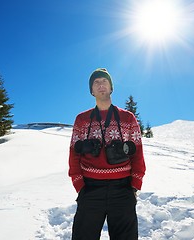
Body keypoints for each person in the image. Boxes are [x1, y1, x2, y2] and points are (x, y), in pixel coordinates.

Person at [68, 68, 146, 240]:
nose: (100, 85)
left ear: (111, 87)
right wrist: (80, 187)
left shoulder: (127, 118)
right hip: (90, 189)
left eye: (104, 81)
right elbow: (74, 154)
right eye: (96, 82)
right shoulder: (82, 119)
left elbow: (137, 152)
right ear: (91, 90)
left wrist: (134, 186)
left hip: (122, 189)